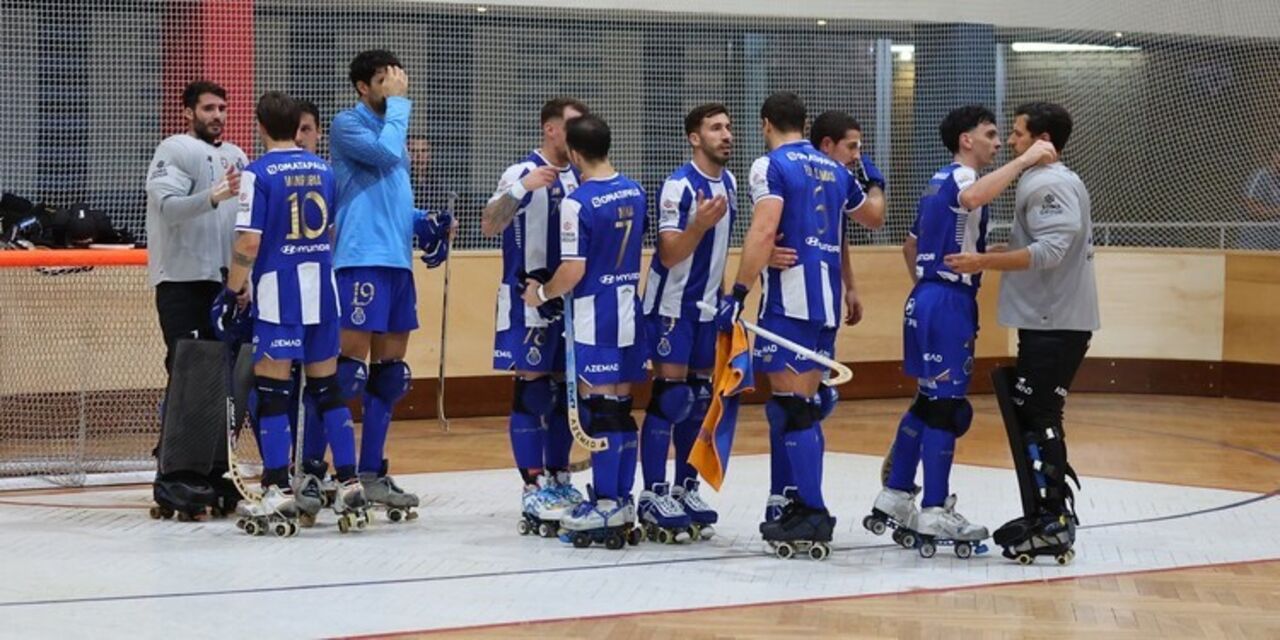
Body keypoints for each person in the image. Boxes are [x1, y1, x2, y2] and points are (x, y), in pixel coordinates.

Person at [869, 105, 1055, 555]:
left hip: (925, 298)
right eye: (990, 134)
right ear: (966, 140)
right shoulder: (962, 178)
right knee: (947, 409)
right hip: (947, 301)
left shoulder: (936, 182)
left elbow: (911, 246)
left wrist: (935, 284)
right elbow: (972, 199)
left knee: (927, 400)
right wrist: (1025, 160)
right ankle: (934, 508)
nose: (998, 142)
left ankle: (895, 493)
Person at [945, 101, 1098, 564]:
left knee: (1041, 416)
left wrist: (982, 262)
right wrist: (999, 250)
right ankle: (1046, 514)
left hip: (1055, 322)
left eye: (1016, 133)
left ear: (1041, 139)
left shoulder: (1049, 182)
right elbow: (1043, 244)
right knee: (1034, 414)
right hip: (1047, 320)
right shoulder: (1044, 180)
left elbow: (1050, 251)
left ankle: (1053, 521)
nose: (1010, 141)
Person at [718, 92, 867, 554]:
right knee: (794, 405)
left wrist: (738, 292)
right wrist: (872, 176)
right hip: (826, 304)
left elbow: (765, 229)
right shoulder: (838, 170)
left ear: (766, 124)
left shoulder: (771, 165)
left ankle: (812, 512)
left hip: (791, 303)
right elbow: (872, 216)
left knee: (794, 407)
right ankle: (795, 502)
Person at [217, 91, 368, 533]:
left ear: (260, 125)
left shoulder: (258, 173)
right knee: (329, 390)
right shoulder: (324, 169)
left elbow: (249, 242)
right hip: (323, 292)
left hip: (279, 293)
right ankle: (350, 484)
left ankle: (278, 490)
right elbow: (331, 230)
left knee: (274, 392)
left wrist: (232, 290)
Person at [521, 113, 648, 548]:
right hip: (629, 310)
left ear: (574, 154)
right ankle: (621, 500)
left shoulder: (578, 203)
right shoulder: (635, 190)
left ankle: (607, 503)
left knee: (601, 410)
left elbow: (573, 270)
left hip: (596, 316)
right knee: (621, 408)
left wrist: (540, 294)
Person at [481, 97, 590, 535]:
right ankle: (532, 484)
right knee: (532, 391)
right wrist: (522, 189)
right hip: (525, 302)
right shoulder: (520, 172)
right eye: (572, 125)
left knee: (564, 393)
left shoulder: (584, 175)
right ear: (550, 129)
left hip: (568, 302)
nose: (579, 133)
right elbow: (490, 224)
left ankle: (560, 476)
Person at [144, 79, 248, 515]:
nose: (217, 115)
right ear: (189, 112)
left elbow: (244, 223)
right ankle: (174, 476)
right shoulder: (175, 149)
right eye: (208, 108)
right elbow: (168, 207)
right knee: (188, 374)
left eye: (222, 107)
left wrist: (244, 278)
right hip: (182, 280)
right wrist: (212, 196)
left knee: (224, 380)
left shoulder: (238, 156)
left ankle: (214, 470)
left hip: (224, 283)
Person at [329, 49, 424, 521]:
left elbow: (391, 195)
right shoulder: (348, 124)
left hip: (396, 262)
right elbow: (384, 155)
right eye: (387, 80)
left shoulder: (394, 131)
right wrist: (401, 105)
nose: (396, 86)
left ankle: (371, 473)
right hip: (360, 258)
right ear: (363, 87)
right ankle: (324, 471)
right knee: (346, 372)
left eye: (398, 78)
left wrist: (425, 222)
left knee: (390, 374)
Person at [636, 103, 735, 542]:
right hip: (672, 308)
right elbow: (670, 252)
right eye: (715, 128)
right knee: (671, 398)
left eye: (728, 127)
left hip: (706, 310)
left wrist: (726, 296)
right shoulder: (678, 186)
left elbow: (718, 252)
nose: (726, 135)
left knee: (698, 400)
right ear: (695, 138)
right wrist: (697, 225)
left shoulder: (730, 183)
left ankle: (685, 487)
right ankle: (653, 493)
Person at [1239, 150, 1280, 250]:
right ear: (1273, 156)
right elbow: (1250, 207)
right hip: (1255, 244)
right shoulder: (1261, 176)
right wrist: (1277, 211)